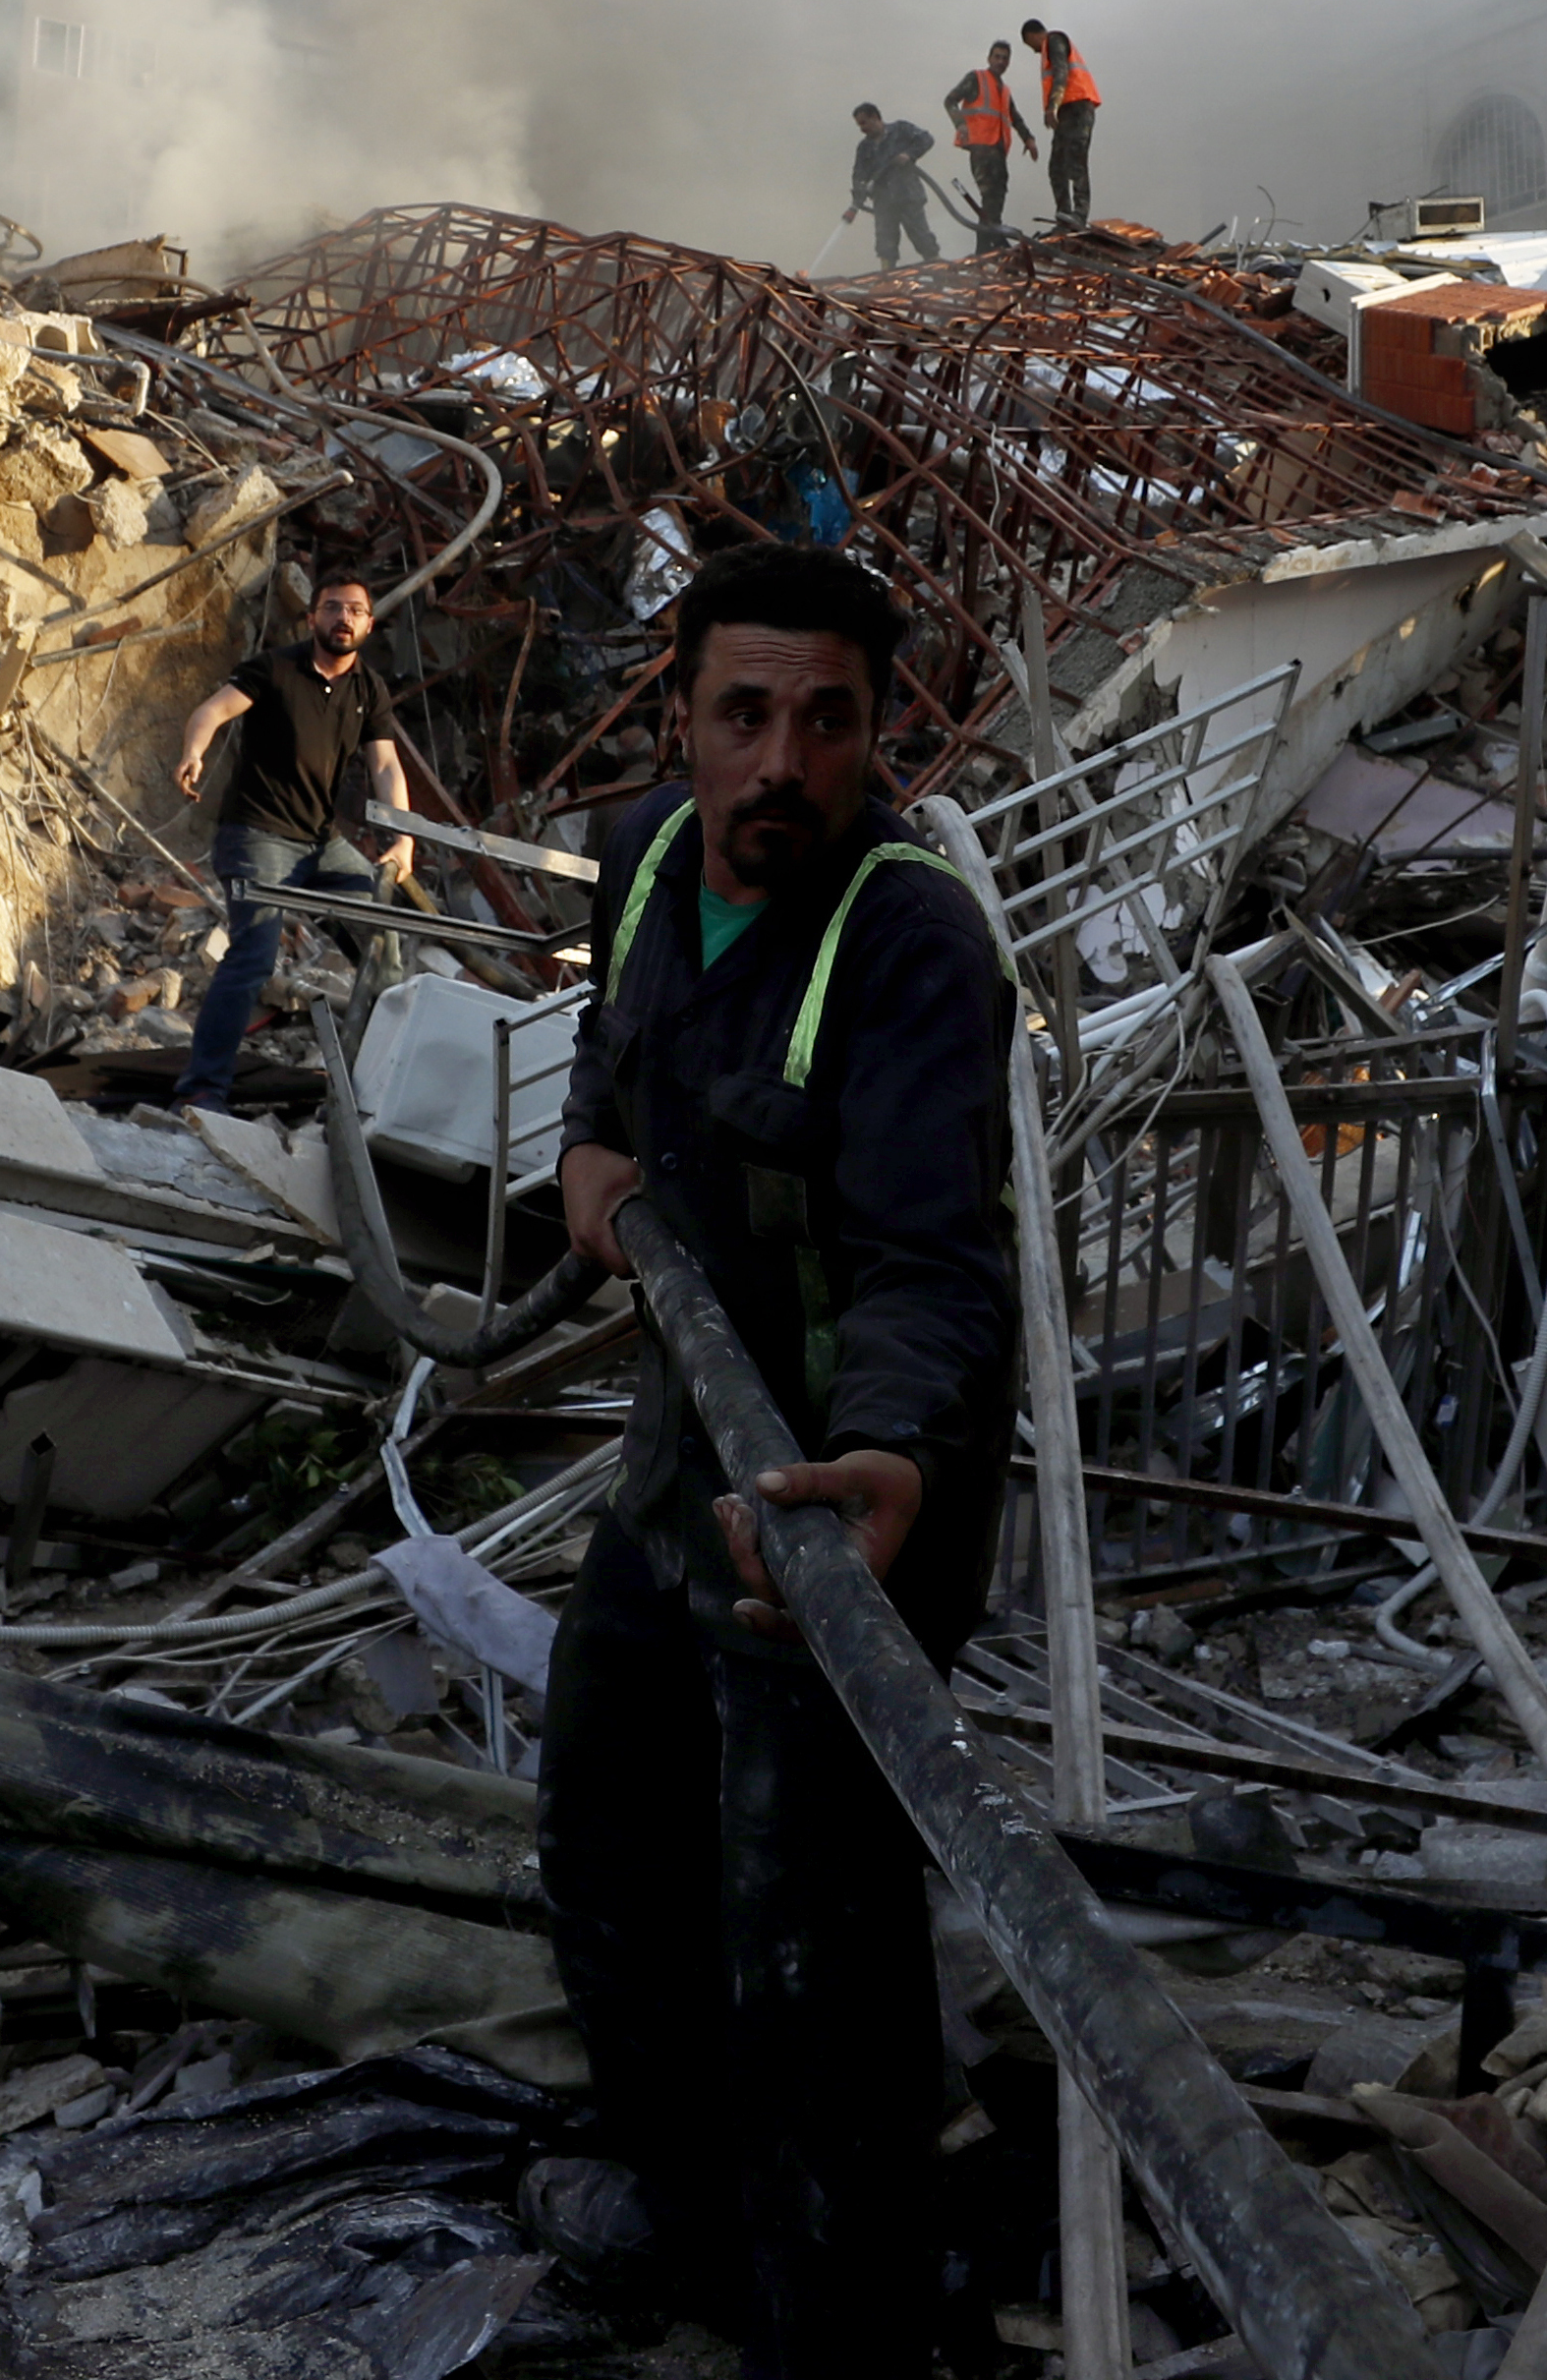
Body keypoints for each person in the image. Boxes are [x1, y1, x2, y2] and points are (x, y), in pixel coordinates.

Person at [535, 543, 1015, 2373]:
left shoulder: (910, 945)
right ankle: (691, 2221)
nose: (779, 767)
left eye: (828, 721)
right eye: (742, 716)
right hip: (690, 1449)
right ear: (683, 719)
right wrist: (591, 1146)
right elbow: (615, 1048)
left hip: (852, 1497)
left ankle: (847, 2308)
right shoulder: (644, 854)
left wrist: (883, 1458)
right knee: (609, 1841)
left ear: (880, 730)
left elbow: (930, 1266)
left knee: (808, 1925)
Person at [166, 574, 414, 1113]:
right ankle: (203, 1088)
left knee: (384, 945)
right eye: (331, 608)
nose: (342, 618)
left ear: (369, 624)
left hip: (323, 843)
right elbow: (212, 711)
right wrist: (193, 750)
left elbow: (386, 765)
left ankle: (375, 1094)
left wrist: (403, 839)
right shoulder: (274, 668)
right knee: (252, 957)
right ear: (312, 619)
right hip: (258, 834)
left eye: (354, 610)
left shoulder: (368, 689)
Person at [938, 38, 1025, 250]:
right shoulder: (976, 78)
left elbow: (1014, 117)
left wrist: (1028, 139)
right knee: (989, 197)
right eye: (997, 57)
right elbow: (950, 100)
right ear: (989, 58)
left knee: (998, 196)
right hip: (981, 148)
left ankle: (989, 244)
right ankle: (988, 246)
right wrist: (960, 125)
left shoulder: (1004, 90)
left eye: (1005, 58)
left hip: (998, 150)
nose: (1001, 61)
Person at [839, 103, 943, 267]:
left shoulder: (901, 130)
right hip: (883, 202)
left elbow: (926, 139)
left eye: (864, 123)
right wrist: (859, 191)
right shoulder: (864, 147)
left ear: (875, 118)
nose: (862, 129)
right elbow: (858, 173)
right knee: (885, 245)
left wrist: (909, 154)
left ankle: (939, 270)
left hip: (908, 195)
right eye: (859, 125)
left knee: (922, 237)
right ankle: (887, 279)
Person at [1033, 21, 1102, 228]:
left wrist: (1051, 106)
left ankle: (1080, 214)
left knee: (1076, 160)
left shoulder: (1054, 40)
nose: (1035, 51)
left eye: (1031, 44)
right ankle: (1064, 216)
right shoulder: (1048, 47)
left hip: (1078, 108)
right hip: (1067, 111)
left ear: (1032, 34)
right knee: (1057, 166)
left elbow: (1061, 73)